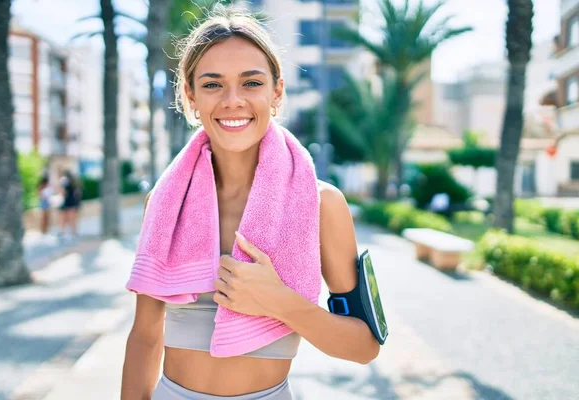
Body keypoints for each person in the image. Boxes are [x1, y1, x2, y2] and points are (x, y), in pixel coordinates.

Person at [121, 6, 380, 400]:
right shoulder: (164, 202)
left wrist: (279, 301)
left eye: (251, 82)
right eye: (212, 85)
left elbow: (364, 347)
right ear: (190, 96)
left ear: (276, 92)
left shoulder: (322, 204)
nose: (233, 100)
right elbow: (144, 337)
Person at [58, 170, 81, 238]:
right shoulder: (75, 183)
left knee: (63, 218)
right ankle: (74, 231)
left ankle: (63, 231)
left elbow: (63, 192)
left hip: (66, 202)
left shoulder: (64, 181)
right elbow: (78, 193)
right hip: (73, 202)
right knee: (73, 218)